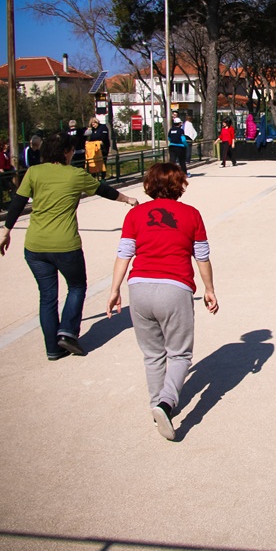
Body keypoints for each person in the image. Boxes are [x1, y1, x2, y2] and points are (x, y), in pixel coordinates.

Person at [0, 132, 139, 361]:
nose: (73, 153)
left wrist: (6, 232)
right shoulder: (75, 175)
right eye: (71, 149)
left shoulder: (33, 172)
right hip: (65, 245)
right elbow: (104, 190)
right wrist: (128, 200)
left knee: (47, 296)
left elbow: (18, 203)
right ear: (65, 152)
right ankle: (68, 332)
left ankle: (52, 349)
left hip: (34, 246)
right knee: (76, 286)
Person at [106, 162, 218, 441]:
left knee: (152, 354)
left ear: (149, 184)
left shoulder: (136, 214)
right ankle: (166, 404)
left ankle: (156, 406)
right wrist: (209, 288)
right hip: (175, 288)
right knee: (179, 353)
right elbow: (201, 256)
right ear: (179, 185)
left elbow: (124, 253)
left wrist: (114, 289)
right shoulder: (191, 214)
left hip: (139, 287)